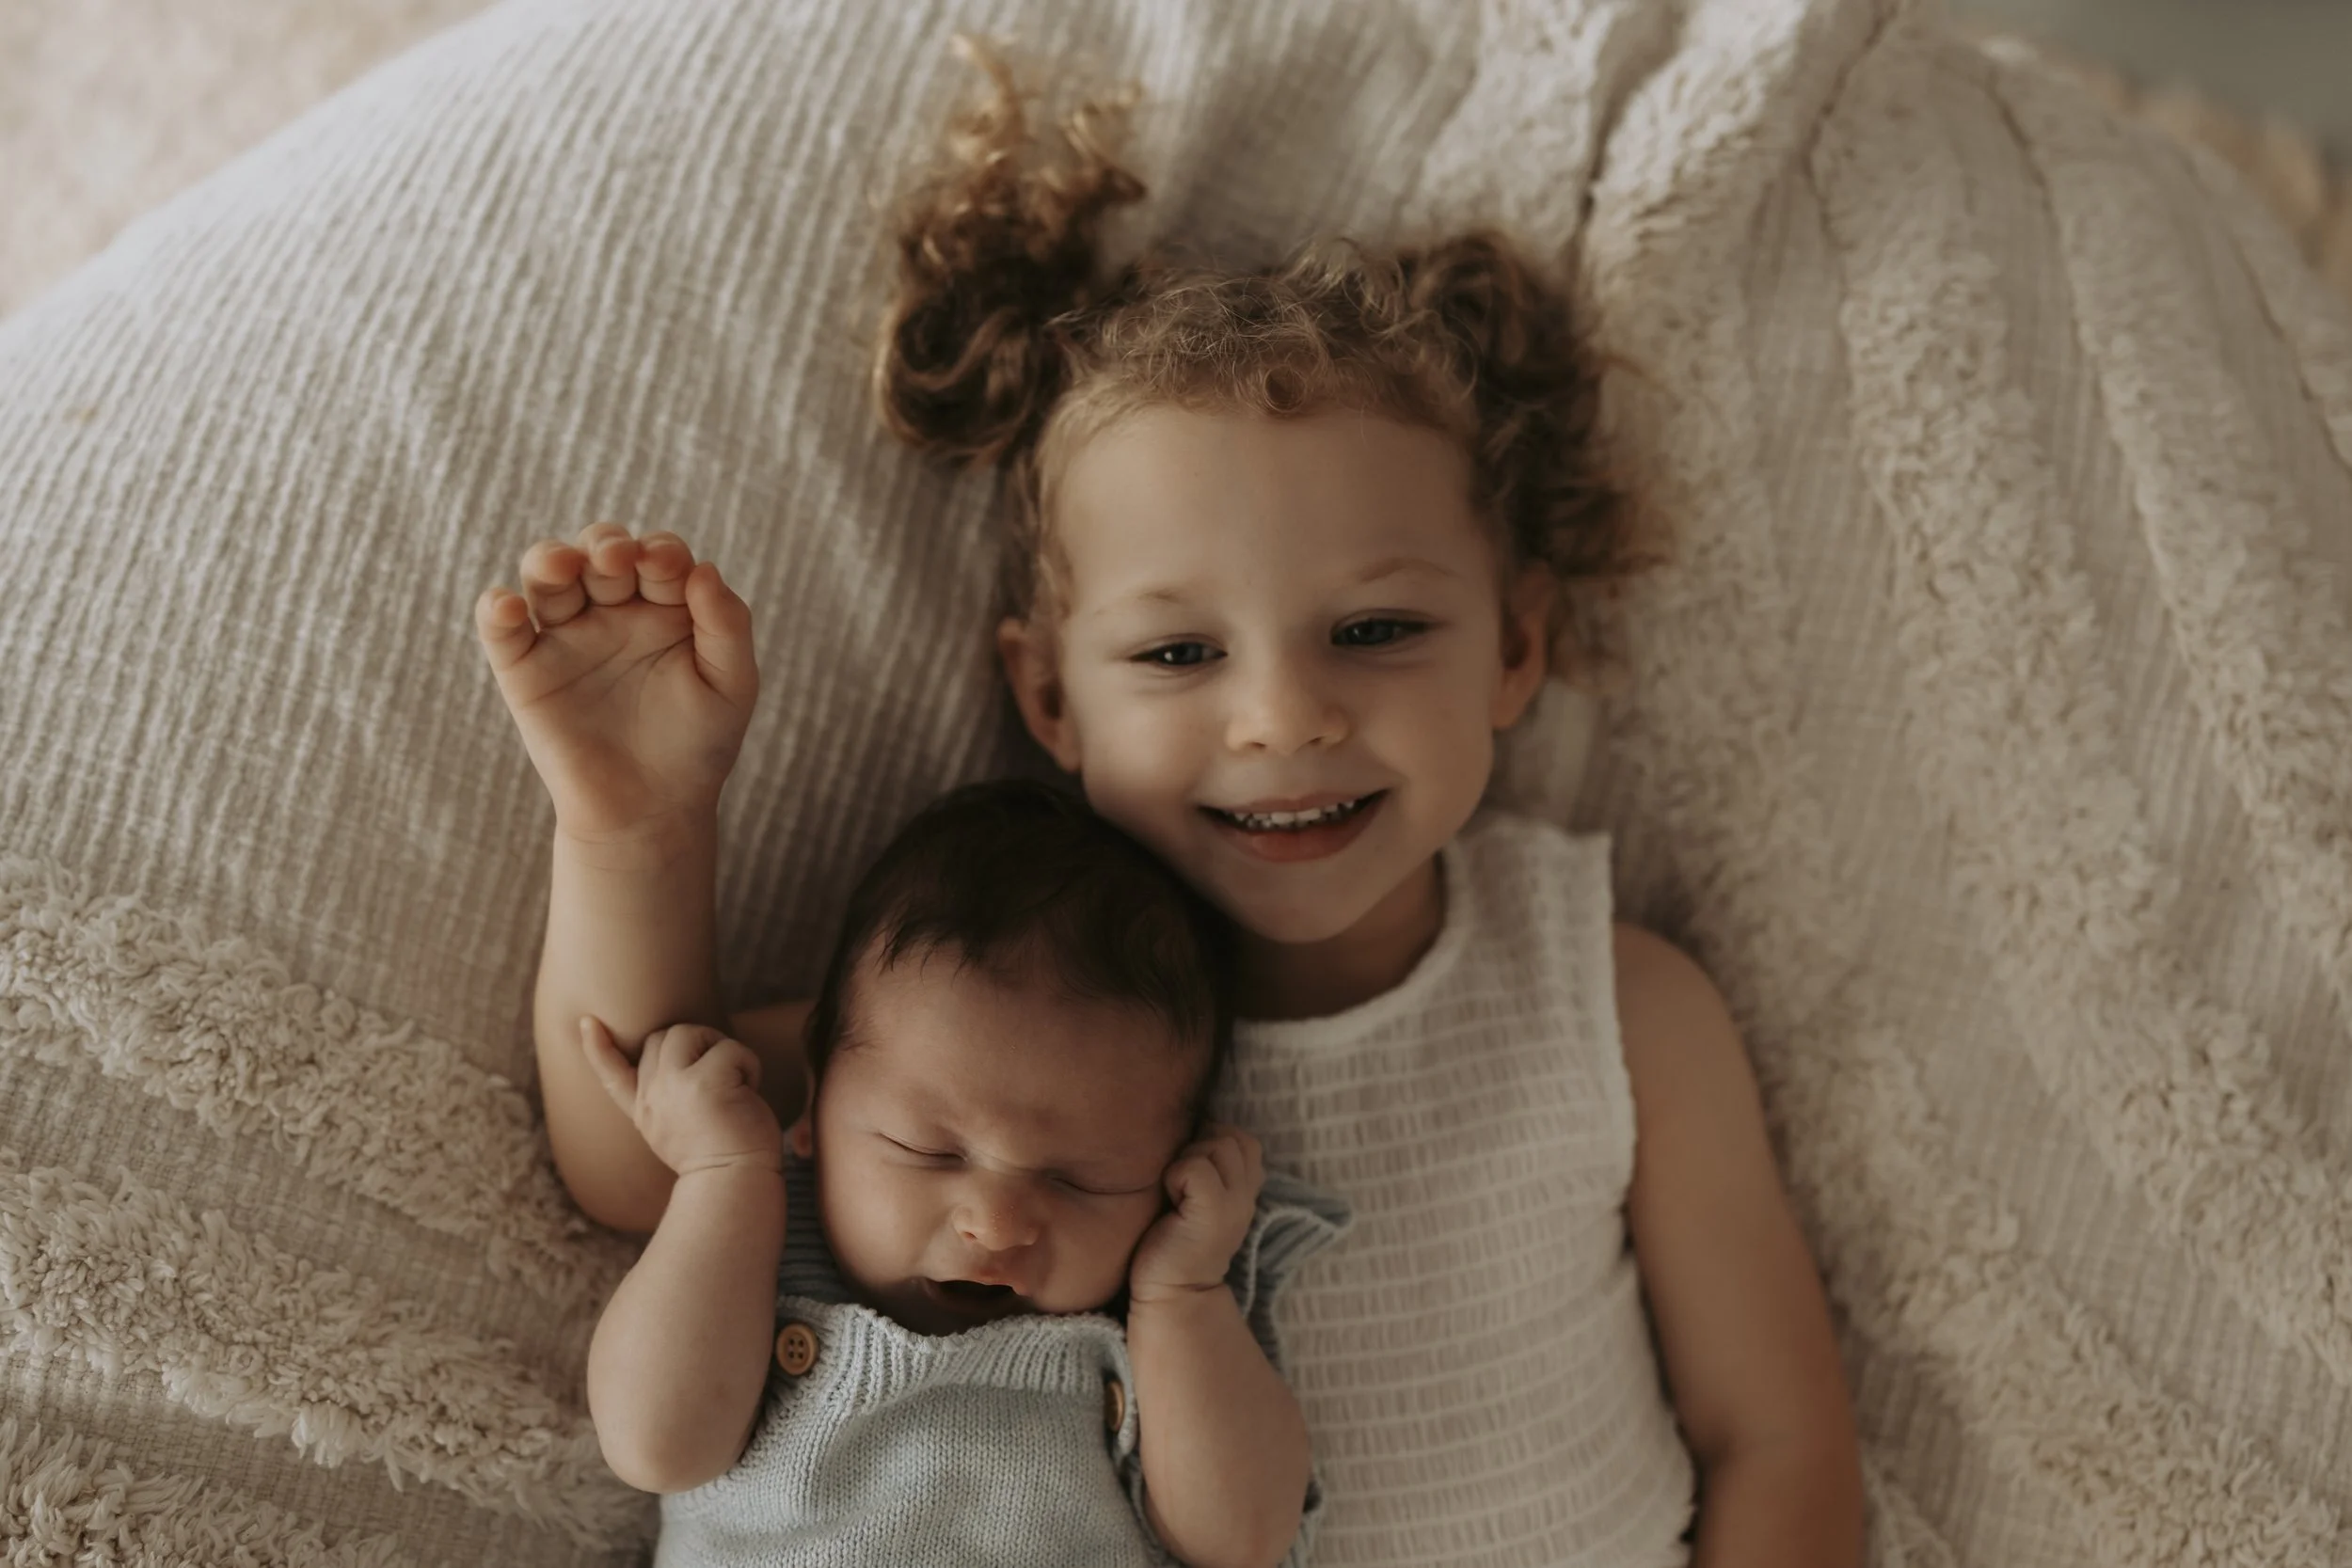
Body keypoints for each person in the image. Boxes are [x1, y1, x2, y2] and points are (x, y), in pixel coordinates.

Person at [474, 38, 1863, 1568]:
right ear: (1051, 697)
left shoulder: (1613, 1001)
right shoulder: (993, 1000)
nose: (1283, 715)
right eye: (1180, 652)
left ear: (1516, 647)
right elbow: (638, 1150)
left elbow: (1779, 1438)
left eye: (1377, 628)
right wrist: (639, 827)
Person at [574, 779, 1345, 1568]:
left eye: (1078, 1180)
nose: (996, 1223)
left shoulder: (1162, 1324)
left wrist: (1184, 1293)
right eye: (930, 1151)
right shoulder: (748, 1250)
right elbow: (653, 1444)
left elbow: (1242, 1539)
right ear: (814, 1102)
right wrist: (722, 1177)